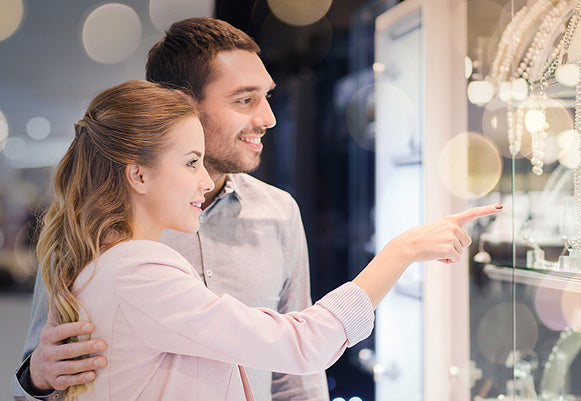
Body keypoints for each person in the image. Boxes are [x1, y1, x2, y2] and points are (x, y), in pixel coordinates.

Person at [33, 79, 500, 401]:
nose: (203, 181)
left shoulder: (106, 263)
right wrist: (403, 251)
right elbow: (301, 343)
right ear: (138, 174)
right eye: (191, 162)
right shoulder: (139, 270)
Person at [12, 18, 329, 401]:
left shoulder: (279, 212)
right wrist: (40, 375)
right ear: (180, 103)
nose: (268, 119)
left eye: (267, 97)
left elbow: (297, 378)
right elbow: (42, 368)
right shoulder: (97, 227)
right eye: (245, 100)